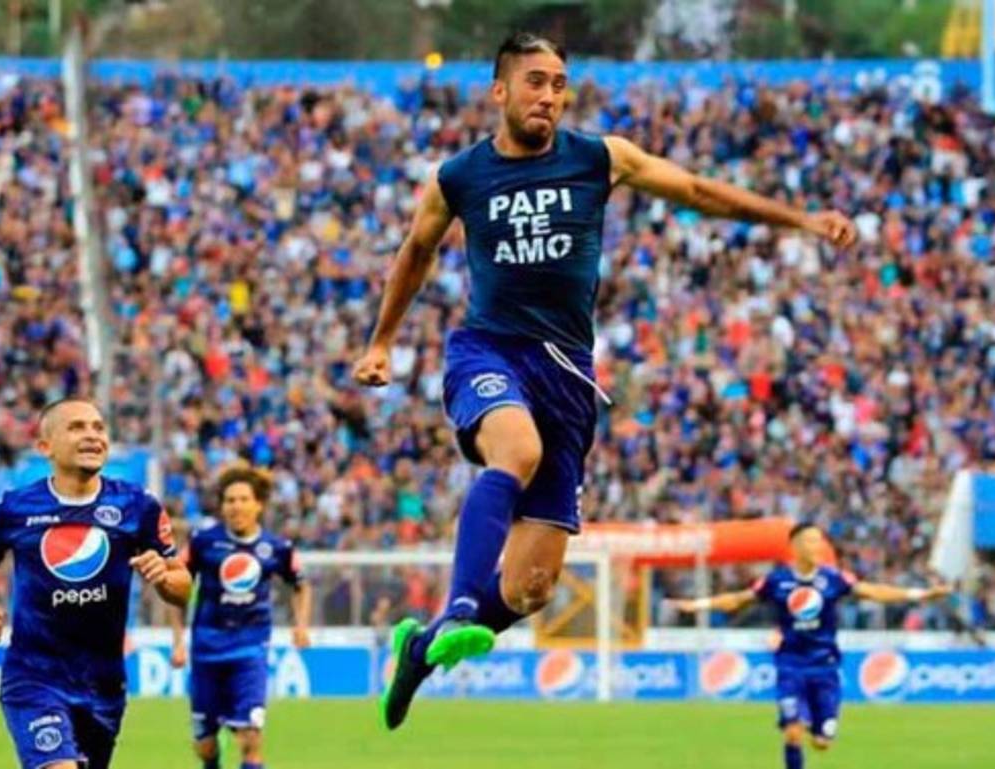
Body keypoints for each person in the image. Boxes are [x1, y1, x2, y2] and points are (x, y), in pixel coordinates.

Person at [353, 30, 859, 731]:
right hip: (491, 351)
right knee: (516, 451)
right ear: (499, 90)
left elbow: (697, 189)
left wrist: (799, 218)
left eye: (560, 83)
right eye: (536, 81)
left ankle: (421, 649)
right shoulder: (459, 177)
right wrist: (381, 341)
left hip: (568, 374)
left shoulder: (600, 157)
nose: (550, 96)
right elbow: (415, 252)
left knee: (531, 588)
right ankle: (459, 606)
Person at [0, 397, 191, 769]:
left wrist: (164, 579)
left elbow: (182, 586)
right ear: (45, 447)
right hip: (34, 676)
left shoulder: (138, 506)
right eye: (77, 427)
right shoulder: (13, 509)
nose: (92, 436)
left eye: (99, 427)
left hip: (103, 684)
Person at [668, 523, 950, 769]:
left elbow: (874, 591)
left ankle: (822, 727)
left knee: (821, 742)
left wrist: (921, 594)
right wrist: (697, 605)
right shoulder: (777, 580)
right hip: (790, 664)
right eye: (810, 540)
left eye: (819, 541)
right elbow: (739, 599)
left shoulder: (833, 579)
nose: (817, 546)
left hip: (824, 666)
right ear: (794, 545)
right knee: (792, 732)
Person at [169, 464, 312, 769]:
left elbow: (300, 585)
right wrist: (178, 640)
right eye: (230, 500)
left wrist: (301, 625)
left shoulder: (276, 547)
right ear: (222, 506)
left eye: (243, 499)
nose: (236, 506)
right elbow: (176, 590)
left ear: (258, 504)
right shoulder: (203, 542)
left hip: (250, 649)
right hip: (206, 649)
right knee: (205, 746)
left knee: (250, 737)